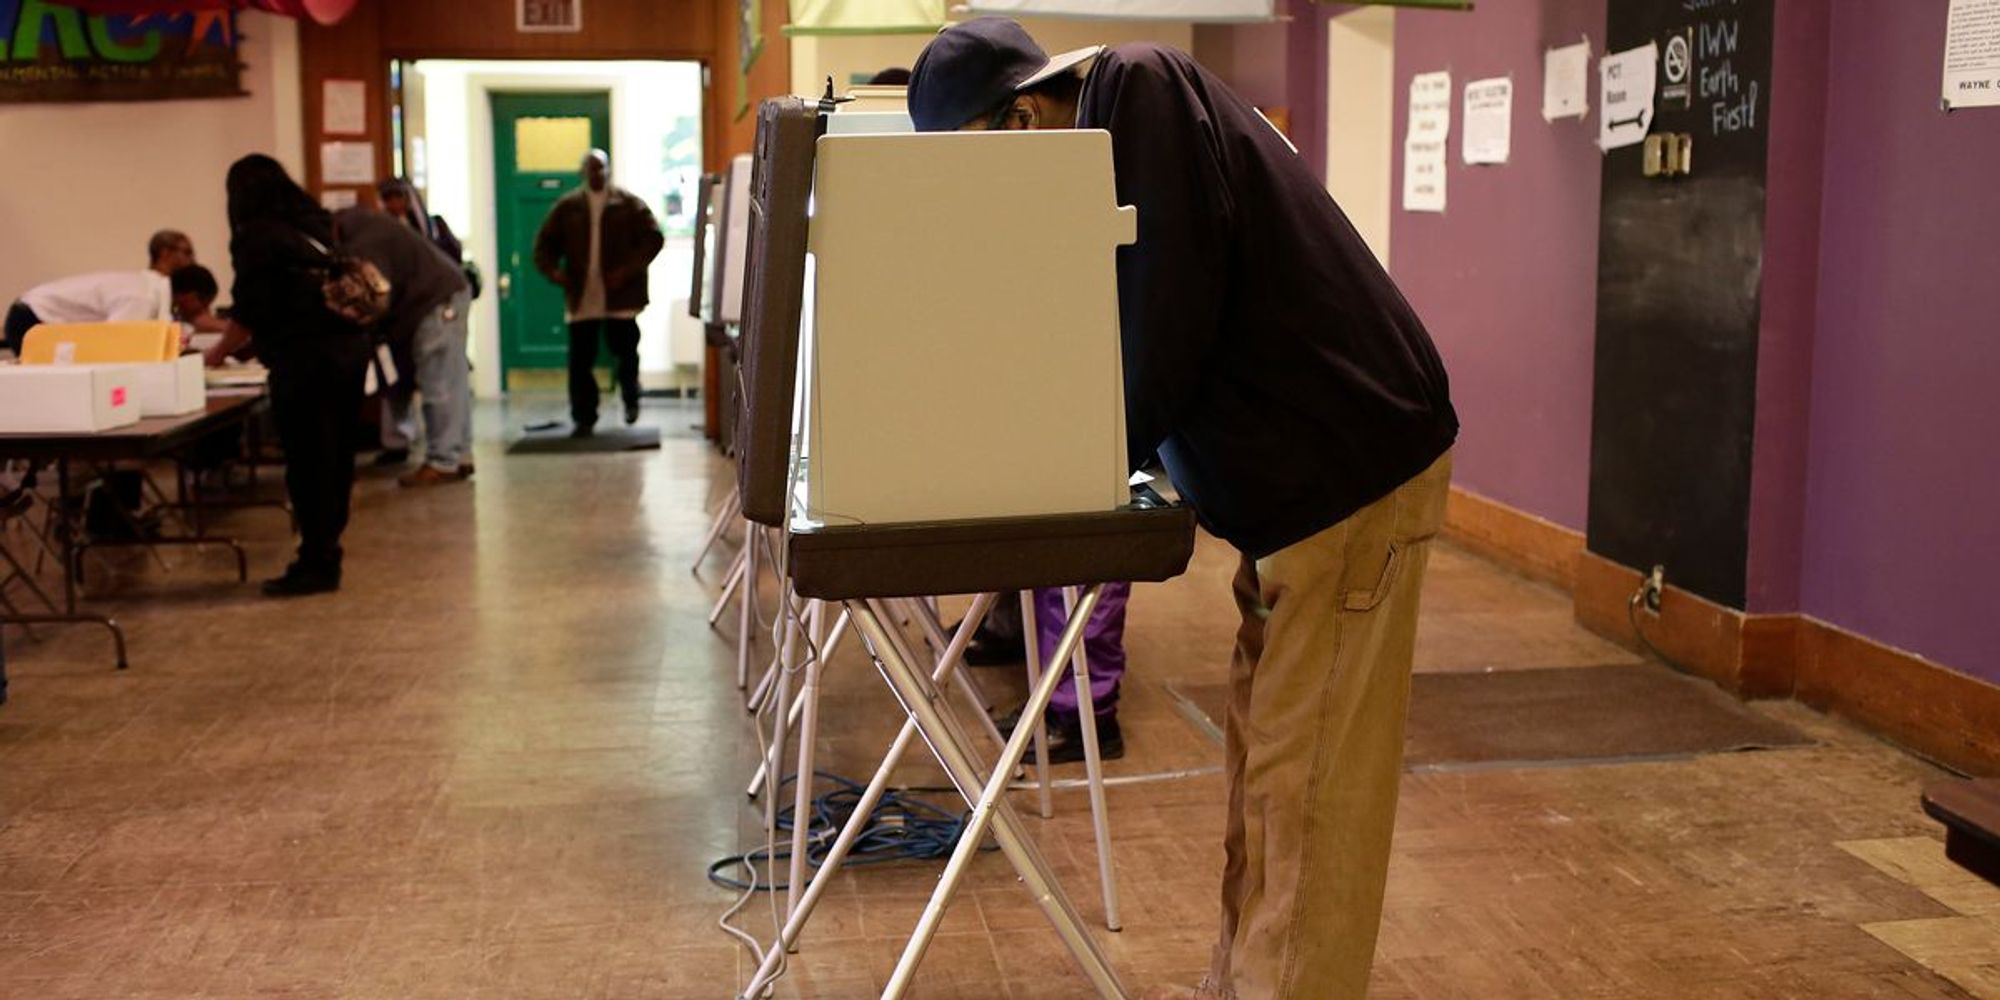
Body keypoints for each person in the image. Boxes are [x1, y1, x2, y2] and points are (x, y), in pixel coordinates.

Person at [910, 20, 1458, 1000]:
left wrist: (1075, 466)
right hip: (1290, 499)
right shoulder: (1113, 137)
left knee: (1309, 792)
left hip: (1348, 473)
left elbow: (1164, 318)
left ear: (1022, 118)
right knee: (1265, 774)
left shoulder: (1139, 87)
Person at [205, 154, 372, 597]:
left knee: (308, 462)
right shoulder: (313, 226)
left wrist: (215, 356)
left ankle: (316, 561)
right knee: (336, 458)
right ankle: (327, 552)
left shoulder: (256, 236)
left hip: (307, 360)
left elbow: (249, 309)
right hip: (348, 353)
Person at [335, 206, 474, 487]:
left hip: (435, 301)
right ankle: (458, 456)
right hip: (448, 292)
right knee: (452, 381)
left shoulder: (363, 242)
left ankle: (443, 462)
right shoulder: (372, 225)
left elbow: (373, 295)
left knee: (439, 383)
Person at [532, 149, 664, 437]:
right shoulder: (568, 207)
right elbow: (544, 246)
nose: (598, 174)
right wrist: (555, 273)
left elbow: (654, 238)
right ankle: (584, 416)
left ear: (609, 170)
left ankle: (631, 397)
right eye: (592, 168)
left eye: (602, 168)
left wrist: (627, 271)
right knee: (580, 359)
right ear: (583, 172)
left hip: (621, 295)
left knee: (626, 350)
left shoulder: (628, 204)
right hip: (583, 294)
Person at [5, 263, 221, 356]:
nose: (205, 311)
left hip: (35, 316)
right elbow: (114, 345)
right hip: (32, 319)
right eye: (204, 305)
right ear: (190, 296)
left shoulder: (151, 290)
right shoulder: (142, 299)